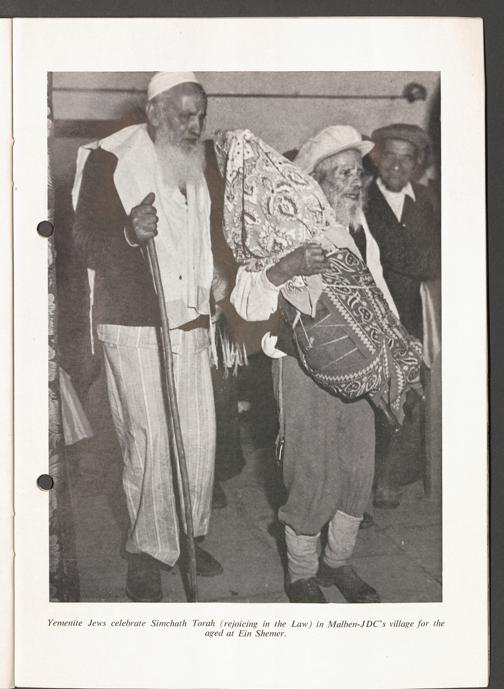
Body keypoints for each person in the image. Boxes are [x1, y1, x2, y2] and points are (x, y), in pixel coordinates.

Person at [228, 126, 399, 603]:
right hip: (301, 369)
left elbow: (380, 295)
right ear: (315, 181)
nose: (357, 182)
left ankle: (337, 563)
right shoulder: (279, 226)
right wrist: (286, 267)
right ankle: (301, 573)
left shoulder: (359, 231)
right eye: (344, 173)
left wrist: (397, 350)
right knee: (310, 471)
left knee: (357, 469)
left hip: (361, 367)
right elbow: (245, 304)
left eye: (359, 172)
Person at [72, 72, 223, 602]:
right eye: (185, 115)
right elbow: (82, 242)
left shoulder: (198, 163)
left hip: (193, 320)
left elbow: (207, 235)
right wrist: (128, 233)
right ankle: (146, 551)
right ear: (154, 112)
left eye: (201, 115)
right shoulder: (110, 159)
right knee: (150, 441)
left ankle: (184, 538)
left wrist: (218, 274)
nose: (195, 125)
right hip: (134, 321)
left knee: (199, 439)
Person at [365, 123, 440, 508]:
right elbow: (401, 256)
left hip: (420, 317)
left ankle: (394, 476)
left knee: (414, 398)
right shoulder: (361, 199)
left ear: (418, 163)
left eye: (406, 158)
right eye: (389, 156)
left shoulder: (429, 199)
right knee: (378, 400)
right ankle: (372, 478)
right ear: (376, 158)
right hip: (375, 315)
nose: (396, 166)